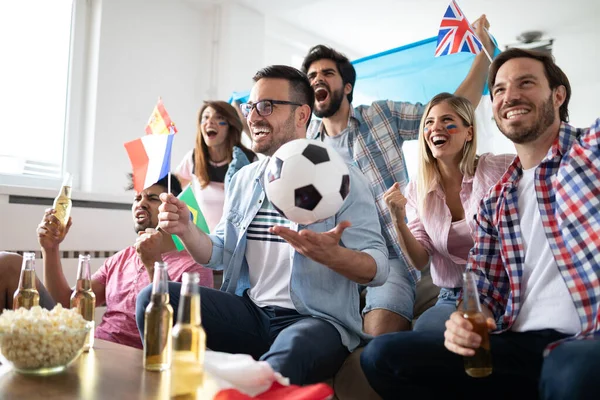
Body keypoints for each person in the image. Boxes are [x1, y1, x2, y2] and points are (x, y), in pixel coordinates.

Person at [360, 48, 600, 399]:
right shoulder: (495, 201)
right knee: (382, 357)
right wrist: (466, 318)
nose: (510, 96)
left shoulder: (588, 153)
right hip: (512, 340)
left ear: (558, 94)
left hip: (584, 339)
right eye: (499, 90)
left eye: (526, 83)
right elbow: (484, 286)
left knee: (573, 372)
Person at [136, 65, 389, 385]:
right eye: (250, 107)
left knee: (290, 353)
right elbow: (219, 253)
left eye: (267, 106)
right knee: (155, 299)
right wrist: (187, 228)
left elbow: (378, 269)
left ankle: (251, 383)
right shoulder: (244, 179)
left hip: (315, 322)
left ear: (302, 115)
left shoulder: (344, 177)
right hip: (250, 314)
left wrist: (334, 255)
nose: (253, 117)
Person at [301, 15, 497, 336]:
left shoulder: (379, 115)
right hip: (334, 257)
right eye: (311, 75)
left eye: (327, 73)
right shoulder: (306, 147)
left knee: (379, 337)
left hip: (388, 254)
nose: (317, 79)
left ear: (347, 86)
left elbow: (447, 114)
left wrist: (482, 54)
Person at [383, 93, 513, 333]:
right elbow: (420, 259)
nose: (436, 128)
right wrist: (397, 220)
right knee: (425, 333)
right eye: (429, 122)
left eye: (447, 120)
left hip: (505, 288)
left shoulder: (499, 168)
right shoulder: (416, 191)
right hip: (452, 295)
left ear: (469, 133)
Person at [38, 175, 213, 349]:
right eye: (137, 198)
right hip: (97, 348)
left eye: (152, 198)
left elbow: (181, 333)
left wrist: (153, 263)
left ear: (172, 209)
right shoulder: (121, 258)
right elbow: (68, 307)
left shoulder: (194, 266)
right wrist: (51, 249)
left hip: (143, 360)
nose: (141, 204)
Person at [175, 101, 256, 232]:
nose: (210, 122)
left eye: (219, 118)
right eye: (205, 117)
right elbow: (173, 188)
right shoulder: (193, 158)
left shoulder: (249, 159)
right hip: (204, 243)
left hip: (238, 242)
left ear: (230, 125)